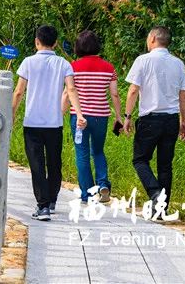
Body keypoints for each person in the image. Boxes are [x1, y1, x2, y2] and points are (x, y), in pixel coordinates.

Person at [13, 25, 86, 221]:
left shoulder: (28, 62)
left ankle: (43, 206)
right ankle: (51, 200)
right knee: (54, 162)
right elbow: (71, 90)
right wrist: (79, 113)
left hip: (33, 123)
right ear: (55, 43)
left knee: (37, 164)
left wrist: (11, 115)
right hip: (54, 123)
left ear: (37, 41)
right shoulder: (64, 64)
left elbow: (19, 92)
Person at [123, 25, 185, 210]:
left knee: (140, 160)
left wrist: (127, 117)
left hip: (150, 119)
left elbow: (133, 90)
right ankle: (162, 207)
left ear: (152, 39)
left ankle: (155, 193)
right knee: (165, 165)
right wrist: (184, 122)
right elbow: (183, 95)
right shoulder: (178, 63)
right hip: (171, 120)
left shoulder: (143, 60)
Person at [62, 30, 123, 204]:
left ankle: (87, 194)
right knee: (97, 151)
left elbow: (68, 92)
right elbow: (115, 94)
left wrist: (60, 114)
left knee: (81, 154)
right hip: (101, 117)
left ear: (78, 46)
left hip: (79, 118)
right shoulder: (109, 67)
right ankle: (103, 184)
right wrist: (118, 116)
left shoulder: (72, 67)